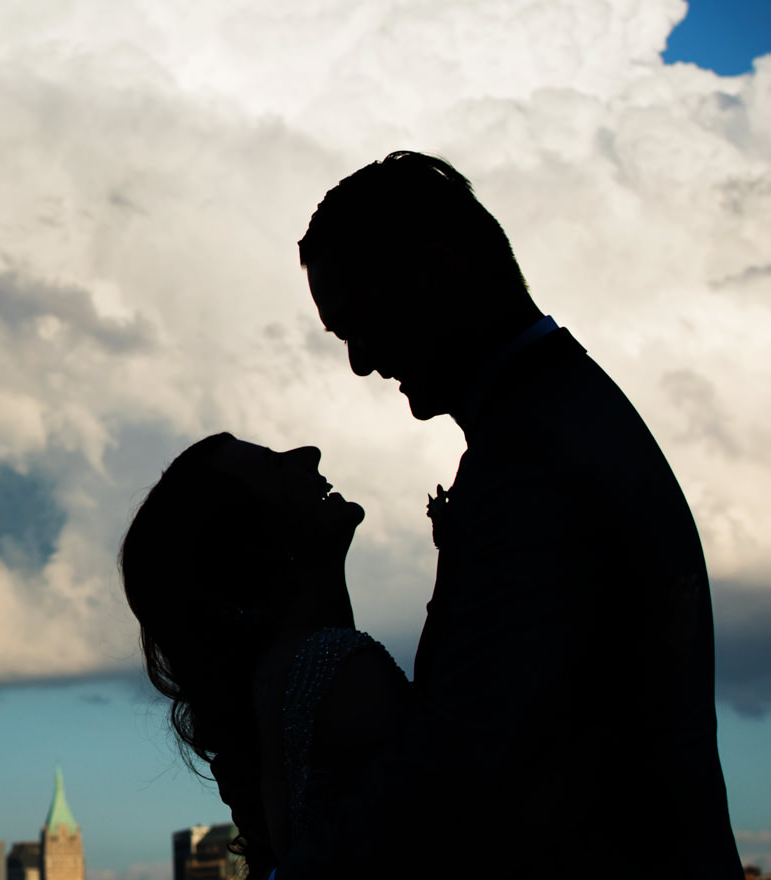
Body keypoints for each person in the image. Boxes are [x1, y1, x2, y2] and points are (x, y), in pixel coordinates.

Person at [287, 150, 737, 878]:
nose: (361, 365)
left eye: (359, 327)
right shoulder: (569, 418)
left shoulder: (534, 458)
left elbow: (468, 752)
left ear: (435, 274)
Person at [120, 433, 410, 879]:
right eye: (274, 466)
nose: (308, 454)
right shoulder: (332, 671)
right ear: (253, 543)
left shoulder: (277, 683)